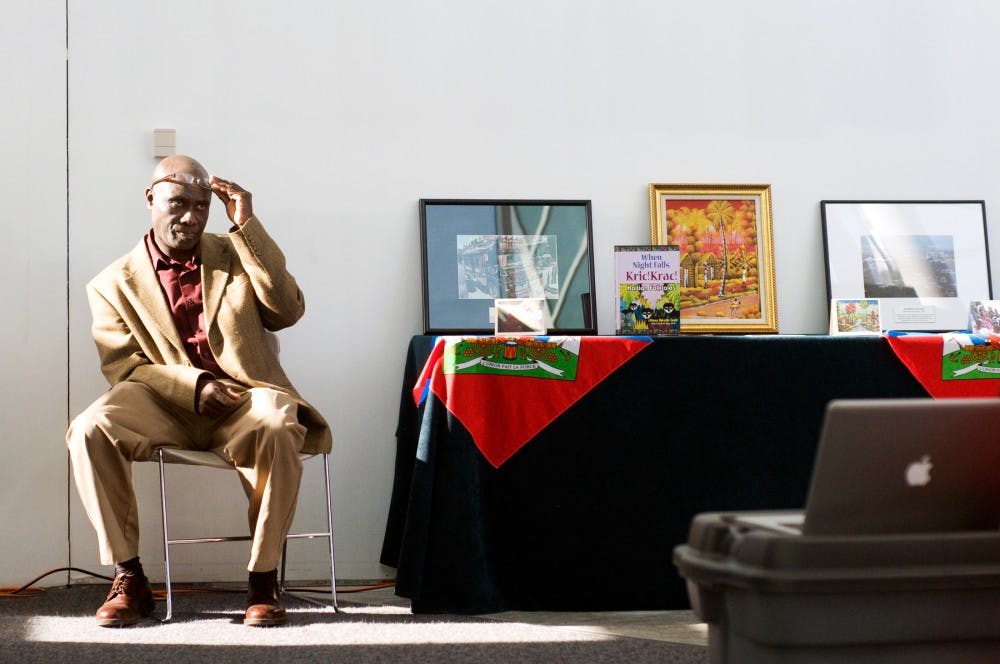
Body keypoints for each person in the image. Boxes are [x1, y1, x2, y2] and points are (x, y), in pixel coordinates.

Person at [66, 155, 331, 627]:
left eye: (201, 206)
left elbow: (287, 311)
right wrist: (193, 386)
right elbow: (124, 366)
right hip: (162, 402)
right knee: (90, 427)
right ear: (150, 200)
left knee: (277, 419)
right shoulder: (110, 285)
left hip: (241, 400)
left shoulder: (236, 252)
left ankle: (262, 579)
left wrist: (246, 225)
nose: (189, 217)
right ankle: (130, 576)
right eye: (176, 203)